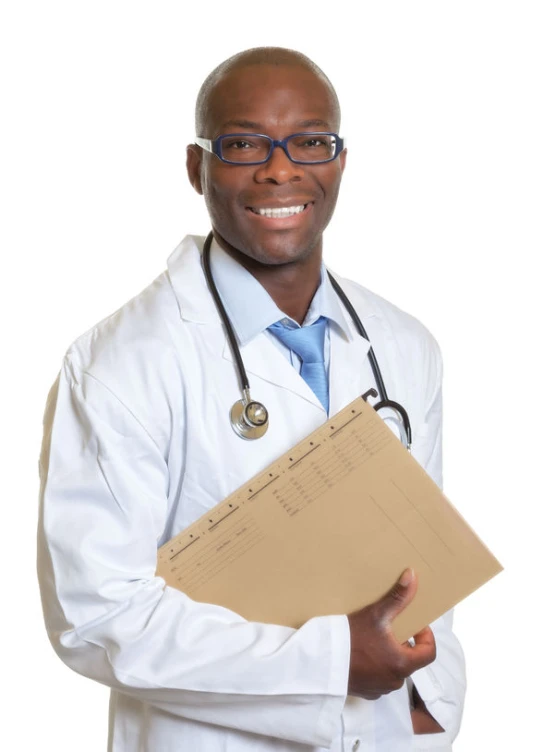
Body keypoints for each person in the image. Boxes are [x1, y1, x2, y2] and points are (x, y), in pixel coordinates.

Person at [38, 47, 466, 752]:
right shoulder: (119, 363)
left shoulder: (402, 345)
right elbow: (96, 616)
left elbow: (427, 564)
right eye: (242, 144)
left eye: (309, 141)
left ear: (339, 160)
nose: (280, 168)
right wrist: (330, 664)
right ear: (196, 167)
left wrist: (425, 703)